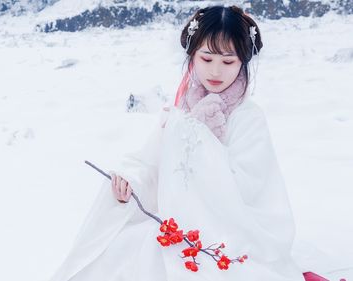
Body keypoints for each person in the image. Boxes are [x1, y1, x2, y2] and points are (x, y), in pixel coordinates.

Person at [49, 5, 331, 281]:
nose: (216, 72)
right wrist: (130, 182)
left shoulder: (247, 117)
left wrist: (197, 138)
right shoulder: (181, 110)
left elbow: (250, 190)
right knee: (119, 251)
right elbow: (151, 161)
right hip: (175, 225)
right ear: (192, 57)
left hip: (229, 235)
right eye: (207, 59)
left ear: (243, 61)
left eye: (228, 61)